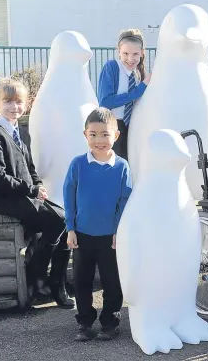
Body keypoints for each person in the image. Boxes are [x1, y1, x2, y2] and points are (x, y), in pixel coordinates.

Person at [0, 78, 74, 308]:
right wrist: (31, 189)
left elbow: (29, 167)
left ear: (26, 104)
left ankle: (56, 282)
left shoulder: (15, 131)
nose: (14, 107)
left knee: (67, 219)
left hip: (23, 195)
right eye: (8, 102)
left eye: (19, 102)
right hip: (5, 199)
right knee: (58, 221)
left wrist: (38, 186)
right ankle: (37, 273)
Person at [63, 107, 132, 342]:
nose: (99, 140)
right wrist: (70, 227)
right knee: (81, 282)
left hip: (110, 237)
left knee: (112, 281)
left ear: (116, 135)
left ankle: (110, 322)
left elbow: (125, 200)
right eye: (93, 134)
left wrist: (118, 230)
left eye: (105, 134)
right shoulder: (78, 164)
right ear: (85, 135)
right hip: (82, 234)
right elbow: (69, 194)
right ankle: (84, 322)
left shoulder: (122, 167)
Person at [97, 29, 151, 160]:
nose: (130, 59)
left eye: (135, 54)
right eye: (125, 53)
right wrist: (138, 90)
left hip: (131, 129)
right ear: (118, 52)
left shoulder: (137, 74)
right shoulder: (112, 67)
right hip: (112, 127)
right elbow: (106, 102)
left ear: (142, 53)